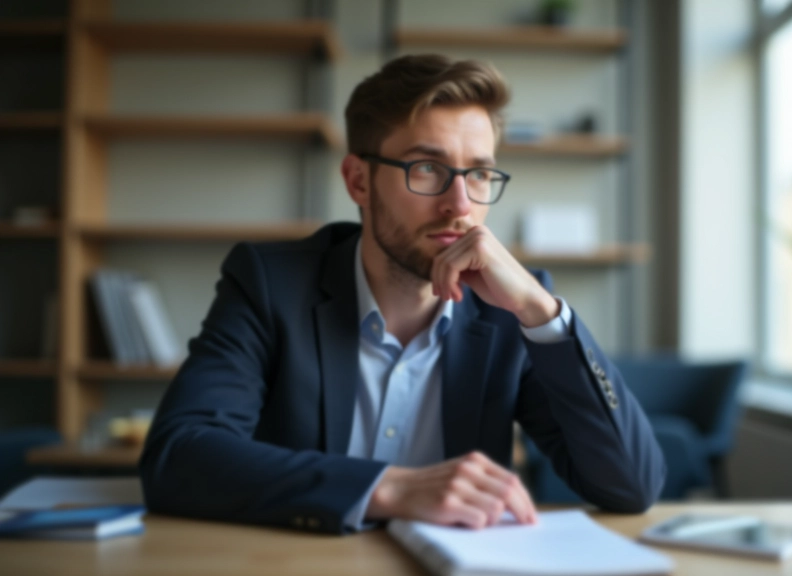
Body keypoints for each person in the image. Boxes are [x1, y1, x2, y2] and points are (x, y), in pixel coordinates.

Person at [139, 54, 666, 534]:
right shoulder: (271, 285)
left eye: (479, 173)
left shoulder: (515, 311)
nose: (459, 204)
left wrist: (542, 314)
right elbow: (179, 457)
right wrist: (389, 488)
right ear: (359, 181)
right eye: (427, 169)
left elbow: (631, 488)